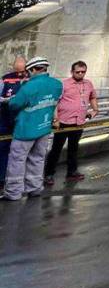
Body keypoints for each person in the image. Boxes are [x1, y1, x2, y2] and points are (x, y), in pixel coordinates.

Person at [2, 57, 63, 201]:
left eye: (28, 71)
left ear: (34, 69)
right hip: (44, 127)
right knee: (38, 159)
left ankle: (13, 193)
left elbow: (15, 104)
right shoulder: (57, 84)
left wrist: (8, 100)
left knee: (17, 160)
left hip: (26, 129)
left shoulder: (29, 86)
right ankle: (35, 188)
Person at [44, 60, 98, 185]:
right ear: (72, 72)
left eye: (83, 72)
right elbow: (55, 101)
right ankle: (49, 174)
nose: (80, 74)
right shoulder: (63, 84)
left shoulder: (88, 84)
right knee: (56, 149)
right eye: (77, 72)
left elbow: (93, 96)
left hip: (79, 121)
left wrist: (95, 109)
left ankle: (72, 172)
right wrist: (55, 119)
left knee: (74, 148)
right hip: (63, 121)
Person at [0, 56, 28, 182]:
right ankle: (1, 178)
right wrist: (7, 100)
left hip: (23, 121)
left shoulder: (31, 79)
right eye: (18, 71)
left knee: (20, 152)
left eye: (22, 71)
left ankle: (16, 179)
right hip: (5, 119)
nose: (20, 74)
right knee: (3, 149)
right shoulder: (5, 79)